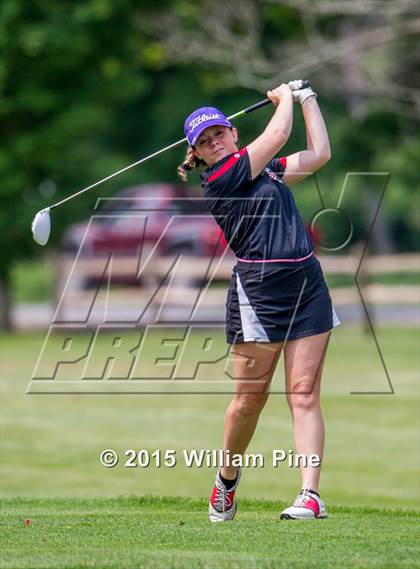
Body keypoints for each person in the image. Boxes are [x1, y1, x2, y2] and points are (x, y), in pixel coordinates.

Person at [177, 80, 340, 522]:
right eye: (204, 143)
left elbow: (319, 153)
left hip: (307, 285)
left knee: (304, 393)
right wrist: (283, 98)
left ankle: (310, 495)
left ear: (232, 132)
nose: (213, 143)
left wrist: (308, 99)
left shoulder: (264, 170)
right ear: (198, 155)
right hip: (259, 293)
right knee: (251, 400)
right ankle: (226, 481)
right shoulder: (222, 179)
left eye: (218, 133)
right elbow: (277, 135)